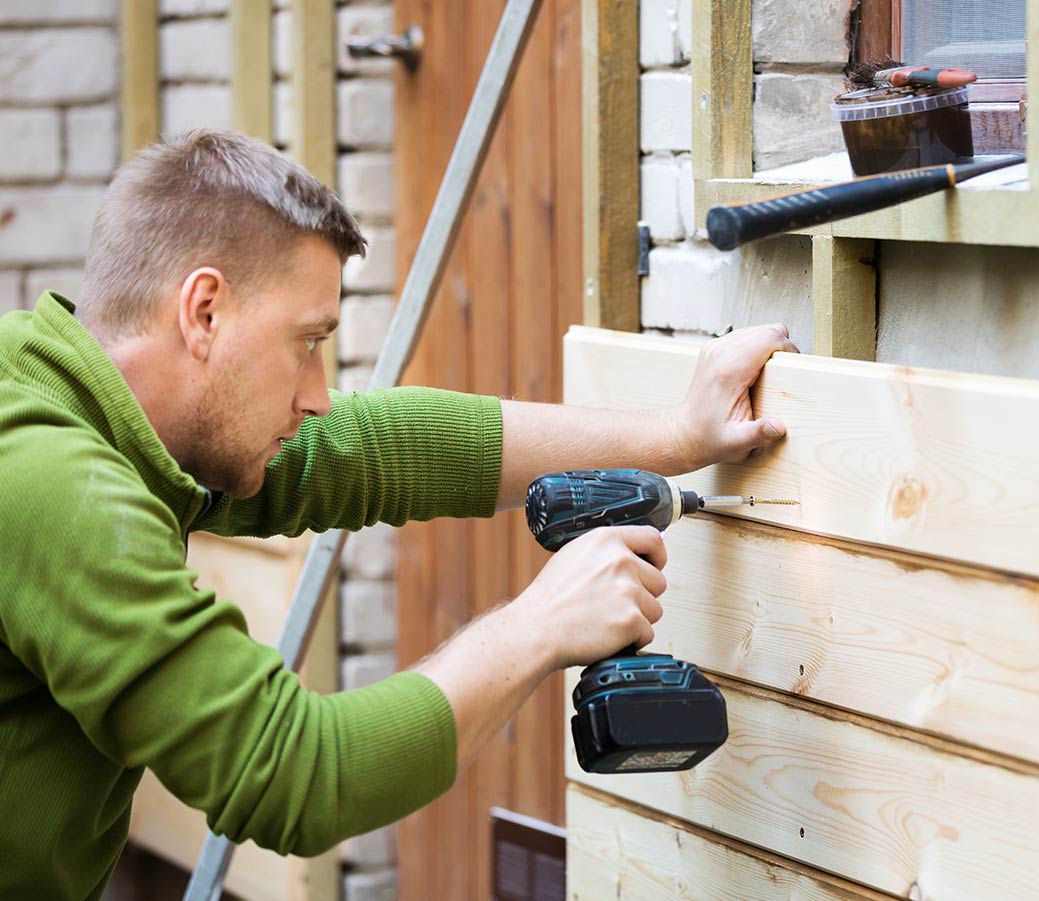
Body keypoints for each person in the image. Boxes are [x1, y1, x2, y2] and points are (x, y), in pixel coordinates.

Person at [0, 129, 797, 898]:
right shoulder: (46, 483)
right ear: (203, 311)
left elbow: (372, 445)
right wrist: (541, 623)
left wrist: (675, 434)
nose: (316, 395)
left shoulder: (87, 403)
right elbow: (292, 774)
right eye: (306, 342)